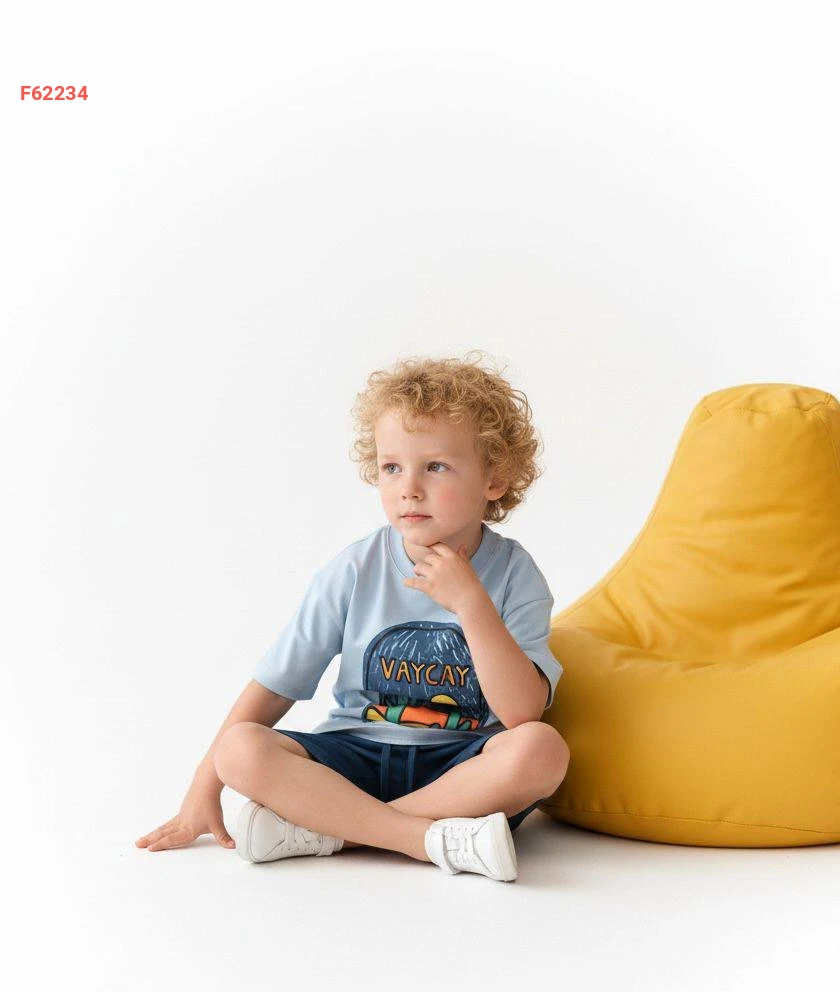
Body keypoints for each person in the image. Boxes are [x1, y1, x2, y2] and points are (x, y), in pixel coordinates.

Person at [136, 352, 570, 881]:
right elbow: (273, 688)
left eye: (435, 466)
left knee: (542, 750)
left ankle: (333, 830)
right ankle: (423, 839)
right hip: (355, 756)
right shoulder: (355, 569)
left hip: (460, 768)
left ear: (494, 479)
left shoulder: (515, 574)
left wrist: (471, 604)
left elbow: (523, 712)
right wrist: (203, 787)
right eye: (392, 467)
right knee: (239, 748)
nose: (409, 487)